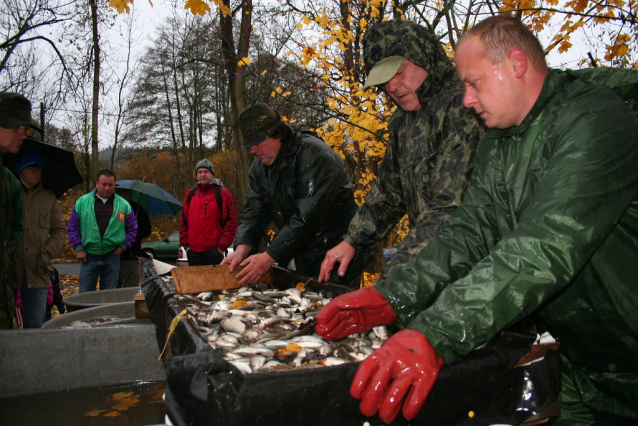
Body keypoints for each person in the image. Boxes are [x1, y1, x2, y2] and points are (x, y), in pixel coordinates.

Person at [316, 15, 638, 425]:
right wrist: (393, 295)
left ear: (516, 65)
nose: (466, 99)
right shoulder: (501, 141)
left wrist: (436, 333)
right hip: (580, 357)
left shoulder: (594, 120)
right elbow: (470, 233)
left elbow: (543, 247)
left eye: (474, 83)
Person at [318, 19, 483, 283]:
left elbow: (451, 208)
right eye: (384, 81)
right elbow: (388, 192)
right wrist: (351, 241)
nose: (392, 88)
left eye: (399, 72)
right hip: (431, 266)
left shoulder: (465, 105)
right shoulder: (402, 121)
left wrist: (394, 278)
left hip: (479, 266)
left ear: (423, 58)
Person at [222, 102, 372, 285]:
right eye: (249, 146)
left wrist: (271, 255)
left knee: (334, 310)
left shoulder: (315, 156)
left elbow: (307, 216)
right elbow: (254, 210)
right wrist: (241, 249)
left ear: (277, 135)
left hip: (335, 256)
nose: (252, 151)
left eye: (257, 143)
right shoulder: (259, 168)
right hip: (296, 255)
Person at [12, 150, 66, 328]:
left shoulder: (49, 198)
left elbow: (59, 230)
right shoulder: (9, 193)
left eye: (38, 169)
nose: (36, 172)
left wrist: (46, 254)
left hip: (38, 269)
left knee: (36, 322)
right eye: (31, 168)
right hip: (10, 268)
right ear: (21, 170)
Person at [68, 170, 138, 293]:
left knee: (109, 296)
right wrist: (79, 248)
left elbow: (133, 229)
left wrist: (123, 247)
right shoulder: (82, 203)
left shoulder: (123, 205)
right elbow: (73, 227)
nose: (107, 188)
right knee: (85, 295)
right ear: (96, 184)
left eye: (110, 185)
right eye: (103, 184)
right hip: (88, 257)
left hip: (112, 257)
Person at [0, 92, 36, 328]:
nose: (23, 134)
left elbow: (16, 228)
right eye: (16, 127)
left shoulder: (8, 180)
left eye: (26, 128)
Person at [179, 159, 238, 266]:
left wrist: (221, 248)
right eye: (199, 172)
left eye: (206, 171)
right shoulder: (190, 194)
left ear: (212, 174)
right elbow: (184, 222)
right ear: (196, 175)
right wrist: (187, 246)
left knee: (215, 283)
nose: (202, 174)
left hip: (214, 252)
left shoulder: (222, 193)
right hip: (193, 253)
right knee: (195, 283)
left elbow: (231, 222)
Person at [117, 188, 152, 287]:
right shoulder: (112, 208)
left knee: (130, 286)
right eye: (121, 193)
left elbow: (146, 230)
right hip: (113, 255)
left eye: (127, 194)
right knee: (113, 287)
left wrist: (133, 235)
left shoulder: (138, 210)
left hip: (131, 255)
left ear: (131, 194)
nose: (124, 196)